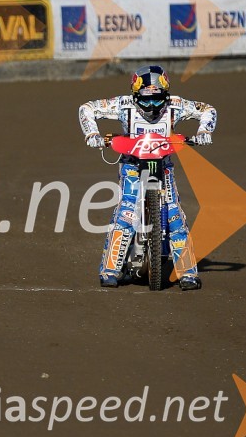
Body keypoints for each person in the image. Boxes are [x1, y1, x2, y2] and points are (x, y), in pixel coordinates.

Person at [78, 65, 216, 290]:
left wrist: (204, 132)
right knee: (126, 212)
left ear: (166, 94)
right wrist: (92, 134)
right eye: (145, 100)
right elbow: (87, 109)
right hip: (132, 165)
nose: (152, 106)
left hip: (164, 166)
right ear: (135, 95)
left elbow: (208, 110)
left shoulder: (176, 105)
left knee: (175, 216)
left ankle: (188, 273)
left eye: (157, 99)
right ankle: (110, 270)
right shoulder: (123, 105)